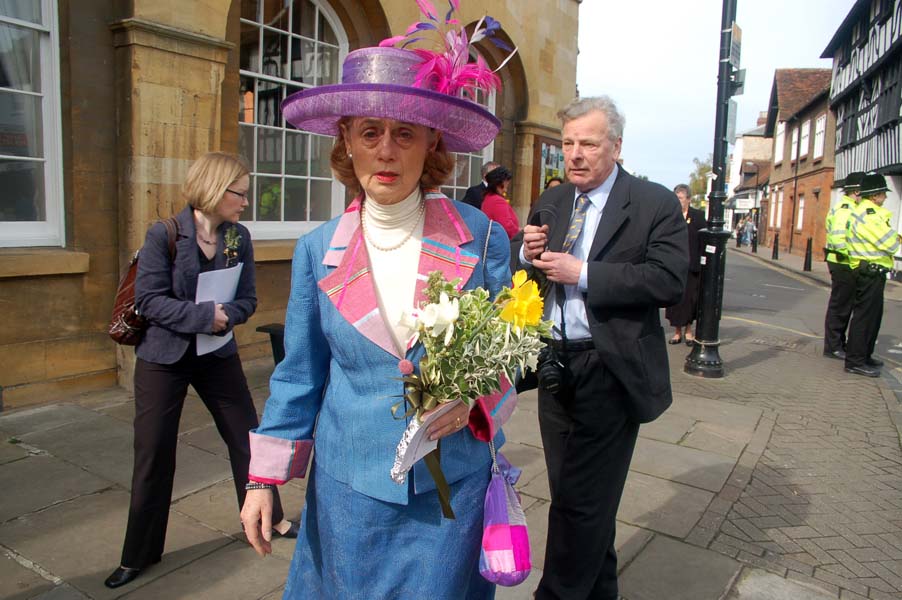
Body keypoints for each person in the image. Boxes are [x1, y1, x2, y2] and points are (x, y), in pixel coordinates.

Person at [239, 38, 515, 598]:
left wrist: (473, 405)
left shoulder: (483, 238)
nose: (386, 151)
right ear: (346, 140)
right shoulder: (317, 250)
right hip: (350, 491)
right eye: (370, 132)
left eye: (405, 133)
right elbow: (299, 376)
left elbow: (509, 359)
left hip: (450, 492)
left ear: (431, 141)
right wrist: (262, 478)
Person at [104, 152, 297, 590]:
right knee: (153, 453)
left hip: (217, 355)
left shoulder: (238, 238)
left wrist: (227, 314)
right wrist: (202, 316)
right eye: (240, 194)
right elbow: (148, 301)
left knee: (247, 438)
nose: (246, 203)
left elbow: (248, 298)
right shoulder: (164, 234)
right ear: (215, 189)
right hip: (163, 358)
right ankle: (139, 553)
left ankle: (273, 518)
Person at [520, 96, 687, 600]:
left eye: (588, 143)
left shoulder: (653, 202)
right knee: (581, 498)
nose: (574, 154)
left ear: (615, 145)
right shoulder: (553, 201)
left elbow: (668, 280)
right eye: (568, 143)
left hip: (610, 368)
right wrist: (526, 255)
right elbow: (530, 276)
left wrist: (585, 274)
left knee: (578, 505)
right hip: (555, 364)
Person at [844, 173, 900, 377]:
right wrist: (897, 238)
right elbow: (891, 244)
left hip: (871, 271)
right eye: (883, 194)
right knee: (864, 317)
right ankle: (855, 361)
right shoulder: (870, 215)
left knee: (872, 317)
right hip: (869, 272)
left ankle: (864, 356)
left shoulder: (866, 213)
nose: (885, 197)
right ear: (875, 195)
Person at [823, 171, 864, 360]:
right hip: (842, 262)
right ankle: (833, 346)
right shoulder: (845, 210)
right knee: (840, 305)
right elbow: (839, 238)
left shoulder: (847, 208)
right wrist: (852, 257)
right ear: (856, 191)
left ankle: (838, 343)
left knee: (844, 305)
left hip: (844, 262)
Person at [665, 183, 706, 346]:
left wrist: (703, 261)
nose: (678, 201)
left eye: (680, 198)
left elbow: (704, 240)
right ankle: (677, 332)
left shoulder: (698, 216)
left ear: (688, 199)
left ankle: (688, 331)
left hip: (692, 266)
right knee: (675, 301)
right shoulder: (670, 216)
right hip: (674, 266)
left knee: (690, 299)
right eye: (675, 197)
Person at [481, 165, 520, 239]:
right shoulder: (497, 201)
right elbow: (507, 227)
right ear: (496, 184)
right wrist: (521, 234)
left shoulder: (488, 198)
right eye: (503, 186)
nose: (505, 190)